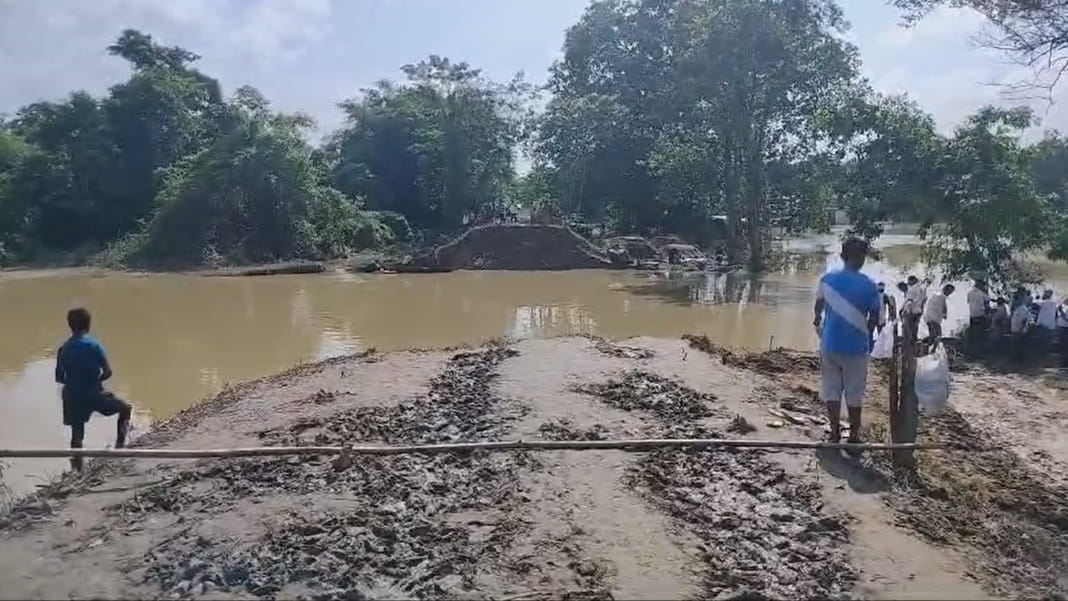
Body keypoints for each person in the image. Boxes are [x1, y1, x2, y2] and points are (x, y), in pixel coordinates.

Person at [813, 238, 880, 446]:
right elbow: (875, 318)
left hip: (830, 344)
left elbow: (817, 310)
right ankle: (853, 436)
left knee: (831, 390)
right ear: (862, 259)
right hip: (856, 348)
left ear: (842, 257)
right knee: (854, 392)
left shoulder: (827, 280)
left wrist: (819, 323)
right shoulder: (869, 286)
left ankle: (834, 434)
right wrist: (867, 338)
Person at [55, 307, 131, 471]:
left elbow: (59, 378)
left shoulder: (63, 349)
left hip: (72, 394)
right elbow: (108, 372)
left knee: (77, 434)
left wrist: (76, 381)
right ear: (88, 325)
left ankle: (78, 469)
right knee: (125, 408)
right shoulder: (93, 345)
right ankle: (120, 447)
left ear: (70, 326)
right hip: (92, 392)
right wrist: (95, 381)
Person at [902, 275, 926, 341]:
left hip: (911, 312)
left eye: (909, 281)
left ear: (912, 281)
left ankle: (910, 346)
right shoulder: (921, 289)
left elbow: (909, 302)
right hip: (918, 312)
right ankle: (914, 345)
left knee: (908, 331)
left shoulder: (912, 289)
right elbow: (924, 300)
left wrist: (906, 311)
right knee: (915, 330)